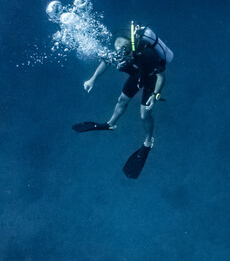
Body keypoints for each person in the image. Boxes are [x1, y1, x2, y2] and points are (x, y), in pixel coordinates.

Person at [73, 22, 173, 178]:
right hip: (137, 76)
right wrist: (92, 80)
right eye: (116, 47)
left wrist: (155, 95)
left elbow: (161, 76)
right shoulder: (121, 52)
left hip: (151, 81)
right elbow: (105, 62)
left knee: (144, 114)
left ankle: (148, 141)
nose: (119, 51)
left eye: (122, 46)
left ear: (130, 43)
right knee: (121, 100)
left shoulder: (146, 54)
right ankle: (110, 124)